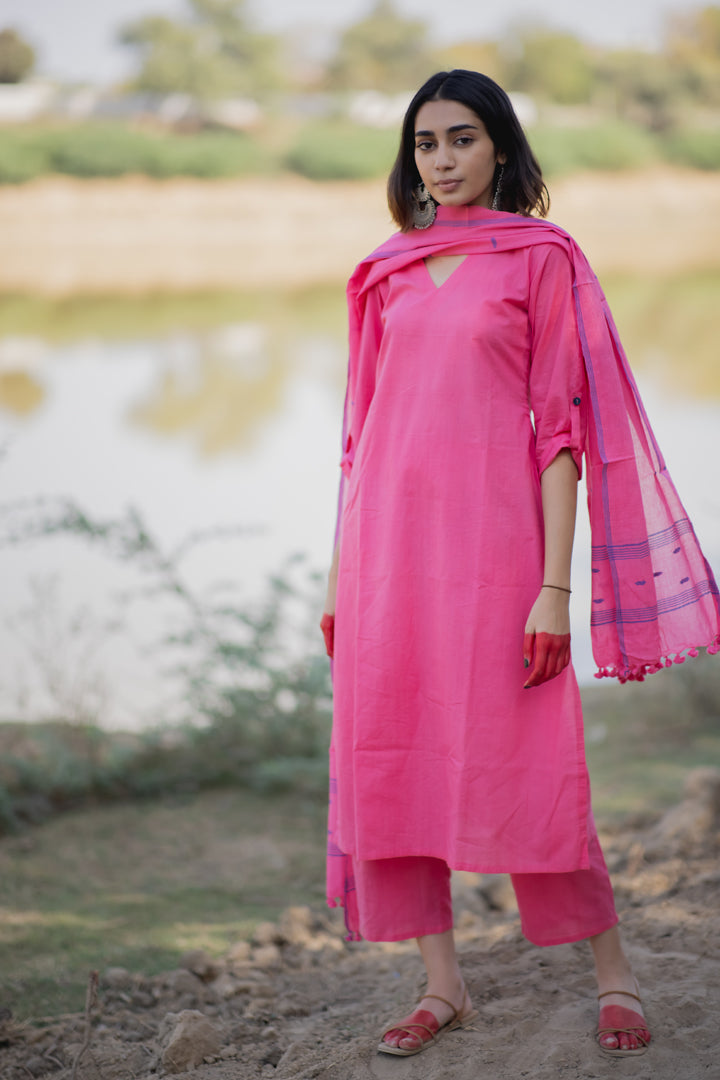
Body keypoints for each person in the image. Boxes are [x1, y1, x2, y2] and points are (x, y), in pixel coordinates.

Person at [320, 69, 720, 1060]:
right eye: (425, 143)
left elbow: (560, 436)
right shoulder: (385, 272)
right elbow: (359, 441)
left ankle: (615, 975)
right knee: (394, 758)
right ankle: (442, 985)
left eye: (461, 138)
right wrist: (337, 582)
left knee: (535, 760)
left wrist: (553, 588)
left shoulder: (541, 258)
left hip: (498, 554)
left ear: (501, 146)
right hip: (386, 559)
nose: (442, 160)